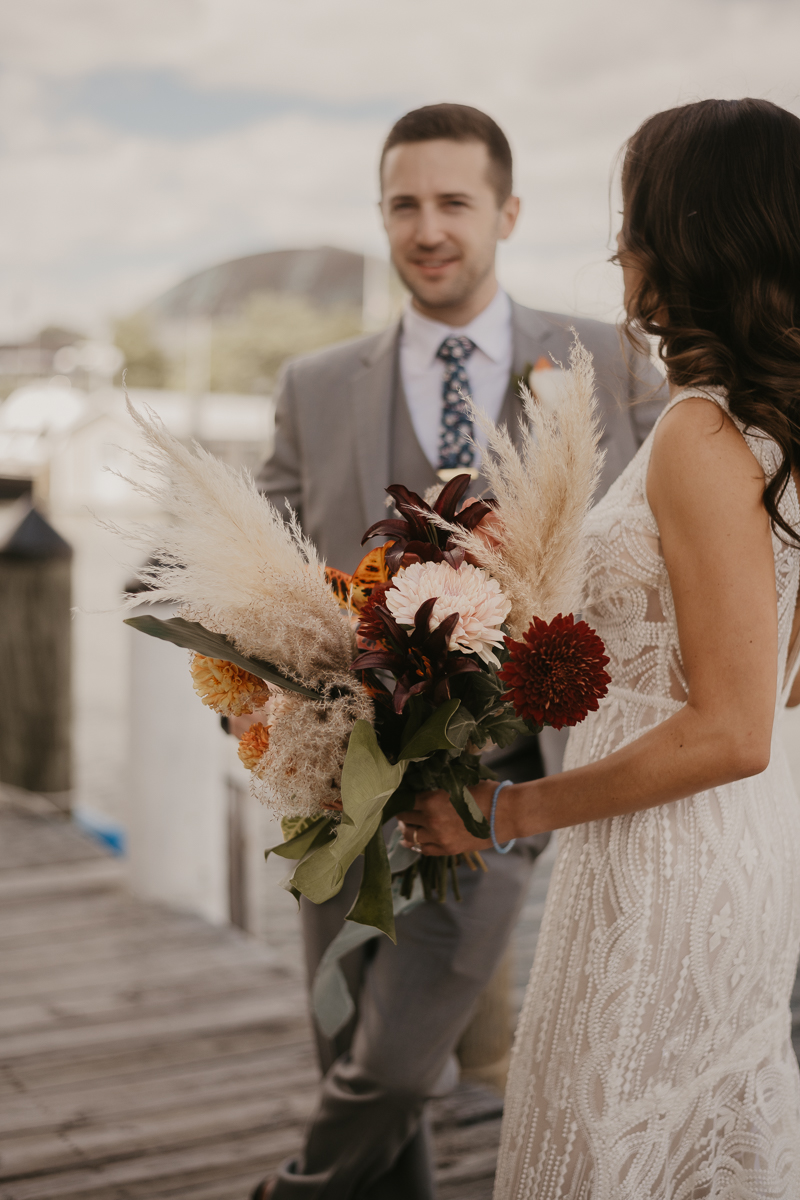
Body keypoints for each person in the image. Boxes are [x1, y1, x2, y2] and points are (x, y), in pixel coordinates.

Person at [249, 103, 664, 1200]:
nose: (426, 228)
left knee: (392, 1062)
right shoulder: (313, 385)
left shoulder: (612, 368)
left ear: (506, 212)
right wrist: (259, 709)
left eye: (452, 202)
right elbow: (264, 575)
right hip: (331, 776)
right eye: (402, 204)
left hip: (503, 780)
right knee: (344, 1041)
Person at [399, 97, 800, 1198]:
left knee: (608, 1143)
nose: (619, 247)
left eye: (634, 218)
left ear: (690, 237)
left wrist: (500, 813)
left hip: (663, 860)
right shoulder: (771, 430)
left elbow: (729, 726)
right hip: (740, 850)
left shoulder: (701, 431)